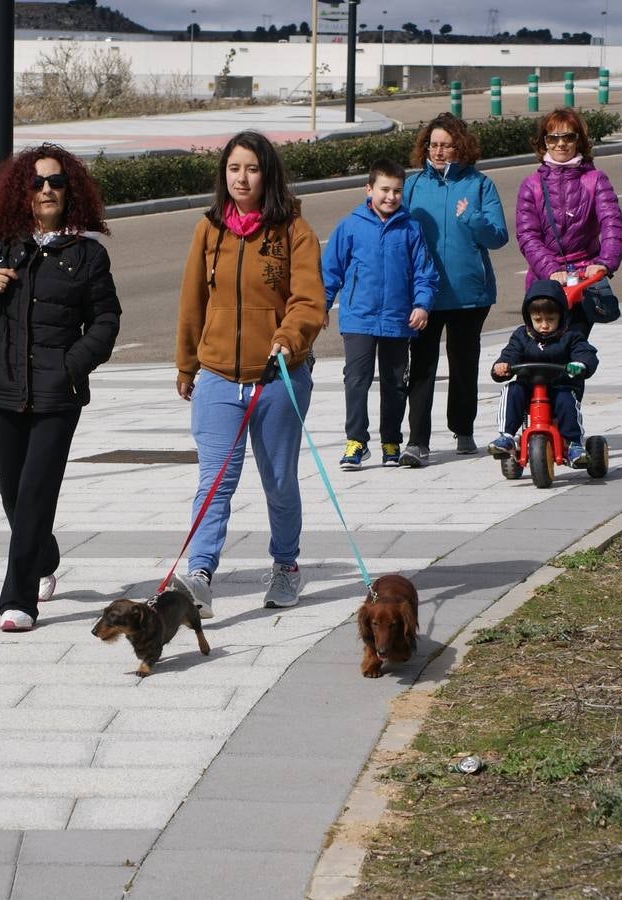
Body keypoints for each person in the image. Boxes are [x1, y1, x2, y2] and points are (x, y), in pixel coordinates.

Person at [0, 144, 121, 633]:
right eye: (38, 182)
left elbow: (106, 320)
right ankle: (43, 554)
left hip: (56, 396)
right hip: (1, 387)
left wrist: (73, 366)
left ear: (71, 192)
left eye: (57, 182)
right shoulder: (1, 244)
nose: (48, 189)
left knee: (35, 493)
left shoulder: (87, 253)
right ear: (22, 193)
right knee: (8, 481)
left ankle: (18, 599)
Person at [173, 130, 327, 617]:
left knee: (279, 480)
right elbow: (193, 299)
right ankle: (199, 573)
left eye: (252, 168)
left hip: (277, 376)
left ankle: (286, 567)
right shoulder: (209, 228)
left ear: (268, 174)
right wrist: (186, 364)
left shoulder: (292, 230)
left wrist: (288, 337)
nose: (242, 177)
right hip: (218, 374)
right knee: (214, 480)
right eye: (234, 168)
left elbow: (309, 300)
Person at [402, 112, 509, 467]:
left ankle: (463, 429)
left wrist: (472, 218)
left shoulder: (480, 185)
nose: (438, 152)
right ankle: (417, 441)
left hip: (468, 295)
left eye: (446, 145)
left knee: (464, 364)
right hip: (425, 295)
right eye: (433, 145)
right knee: (421, 365)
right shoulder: (414, 186)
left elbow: (498, 237)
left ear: (460, 147)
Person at [322, 158, 438, 469]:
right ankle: (357, 441)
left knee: (394, 382)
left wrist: (421, 304)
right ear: (369, 189)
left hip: (398, 320)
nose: (391, 197)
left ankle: (391, 440)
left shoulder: (411, 228)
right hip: (358, 317)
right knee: (356, 379)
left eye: (397, 191)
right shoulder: (350, 226)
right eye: (384, 189)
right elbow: (330, 271)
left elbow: (424, 273)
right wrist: (321, 304)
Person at [515, 106, 622, 339]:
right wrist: (551, 270)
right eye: (553, 137)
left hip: (584, 280)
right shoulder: (531, 184)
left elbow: (612, 225)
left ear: (579, 141)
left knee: (574, 349)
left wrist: (604, 263)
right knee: (543, 351)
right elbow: (527, 236)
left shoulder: (595, 180)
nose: (561, 143)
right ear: (544, 142)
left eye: (568, 137)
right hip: (544, 283)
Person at [486, 280, 599, 469]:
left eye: (550, 319)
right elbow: (510, 353)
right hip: (529, 389)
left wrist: (580, 365)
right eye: (538, 320)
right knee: (511, 389)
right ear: (529, 317)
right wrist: (502, 366)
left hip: (560, 387)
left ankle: (574, 444)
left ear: (561, 316)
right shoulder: (522, 336)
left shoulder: (570, 336)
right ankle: (506, 436)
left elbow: (585, 353)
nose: (544, 325)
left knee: (566, 400)